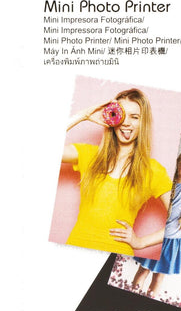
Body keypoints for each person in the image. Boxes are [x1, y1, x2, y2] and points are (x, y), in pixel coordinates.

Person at [61, 88, 172, 255]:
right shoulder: (89, 155)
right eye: (122, 115)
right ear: (112, 117)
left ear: (143, 123)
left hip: (116, 255)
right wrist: (83, 115)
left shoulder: (152, 171)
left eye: (135, 117)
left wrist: (141, 242)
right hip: (75, 247)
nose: (126, 123)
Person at [111, 149, 181, 296]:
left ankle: (148, 301)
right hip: (157, 236)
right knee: (143, 270)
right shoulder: (166, 181)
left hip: (175, 241)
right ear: (177, 163)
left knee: (159, 277)